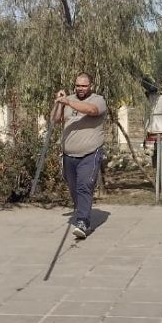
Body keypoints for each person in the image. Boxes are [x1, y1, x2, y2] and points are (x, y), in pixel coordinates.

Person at [53, 72, 107, 239]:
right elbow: (55, 119)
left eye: (84, 85)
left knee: (84, 185)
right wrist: (59, 103)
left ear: (91, 86)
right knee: (74, 187)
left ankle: (83, 221)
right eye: (78, 85)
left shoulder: (98, 100)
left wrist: (69, 101)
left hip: (90, 153)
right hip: (69, 154)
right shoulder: (67, 100)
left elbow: (91, 111)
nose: (81, 88)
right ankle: (82, 210)